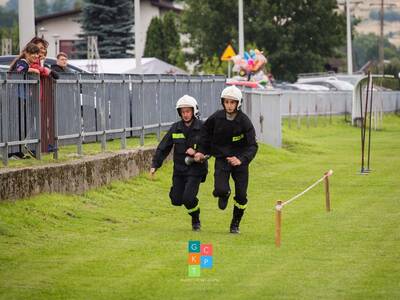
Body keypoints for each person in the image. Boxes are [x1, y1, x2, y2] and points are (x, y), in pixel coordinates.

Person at [194, 85, 258, 234]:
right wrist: (201, 151)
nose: (229, 105)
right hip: (222, 159)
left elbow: (253, 146)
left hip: (240, 162)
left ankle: (235, 224)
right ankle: (224, 193)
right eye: (226, 102)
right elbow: (204, 135)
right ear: (223, 102)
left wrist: (241, 159)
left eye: (232, 102)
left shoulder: (245, 121)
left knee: (242, 196)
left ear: (238, 103)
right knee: (221, 189)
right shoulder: (216, 118)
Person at [150, 95, 208, 231]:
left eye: (188, 111)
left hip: (196, 170)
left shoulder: (203, 127)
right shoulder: (175, 128)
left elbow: (210, 146)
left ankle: (195, 218)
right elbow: (163, 147)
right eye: (183, 112)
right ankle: (182, 197)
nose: (186, 115)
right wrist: (155, 165)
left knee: (188, 198)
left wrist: (197, 152)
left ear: (194, 111)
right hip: (179, 171)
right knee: (176, 200)